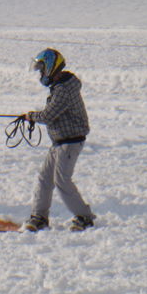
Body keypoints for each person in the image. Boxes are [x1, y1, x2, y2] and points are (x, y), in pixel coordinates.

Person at [20, 48, 95, 232]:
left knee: (62, 180)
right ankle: (39, 216)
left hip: (70, 142)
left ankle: (84, 217)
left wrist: (31, 116)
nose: (40, 73)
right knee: (45, 178)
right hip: (59, 142)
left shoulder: (64, 89)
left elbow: (49, 115)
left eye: (42, 69)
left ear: (51, 67)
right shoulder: (60, 86)